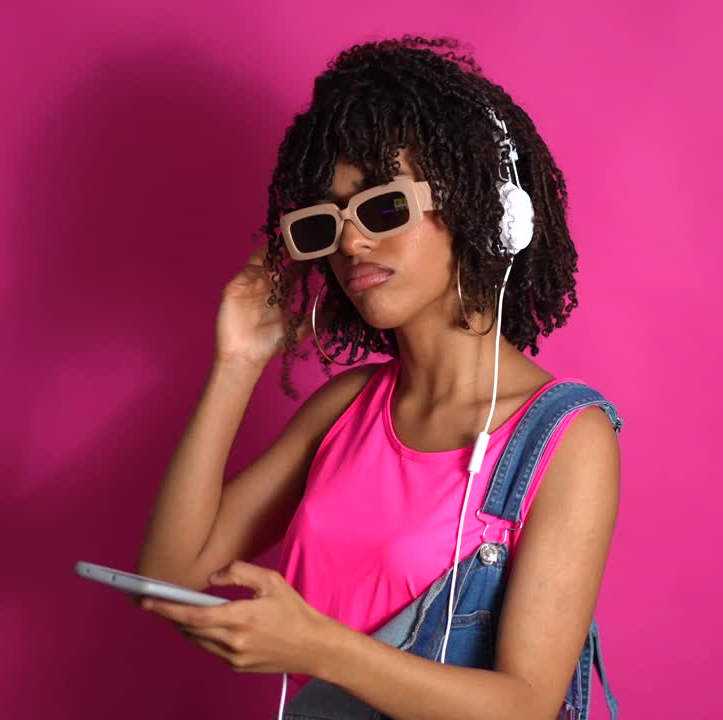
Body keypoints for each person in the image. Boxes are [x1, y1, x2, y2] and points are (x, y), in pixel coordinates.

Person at [135, 35, 623, 719]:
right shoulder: (346, 408)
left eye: (382, 207)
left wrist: (319, 649)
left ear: (480, 205)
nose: (349, 242)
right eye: (325, 222)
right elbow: (167, 577)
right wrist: (237, 364)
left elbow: (525, 706)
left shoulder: (567, 439)